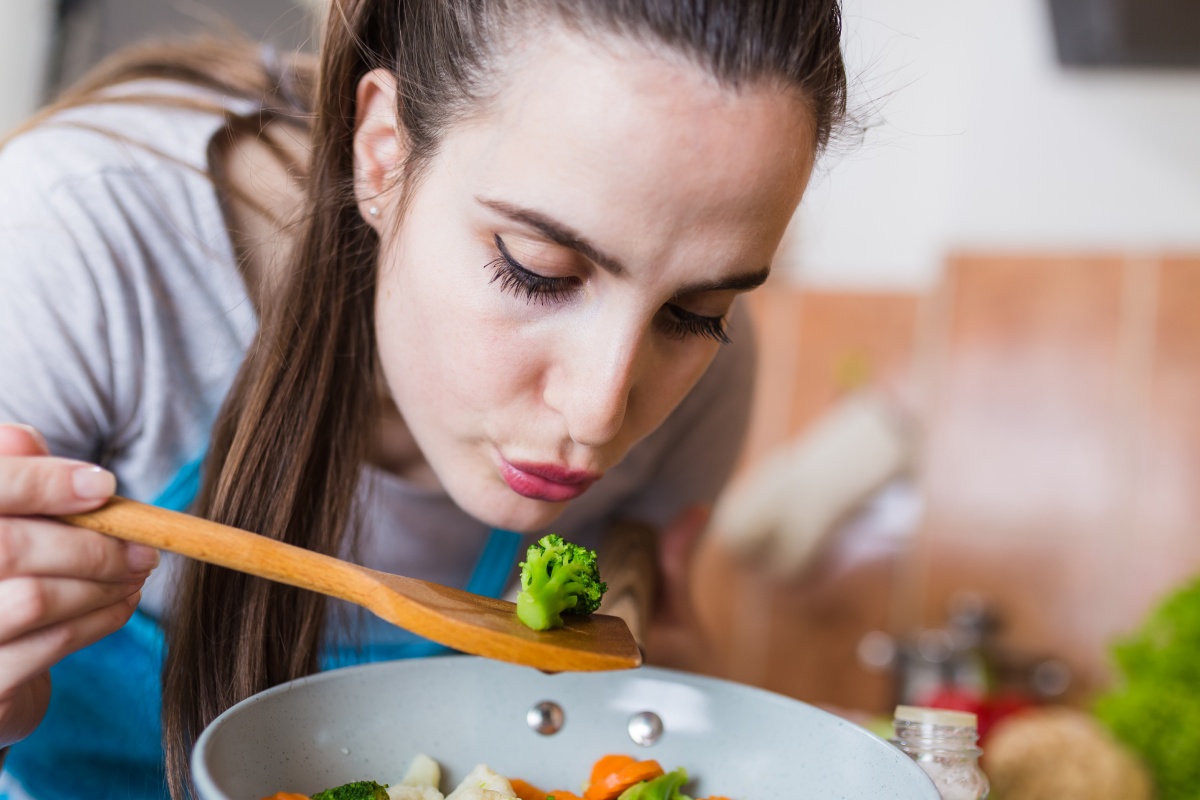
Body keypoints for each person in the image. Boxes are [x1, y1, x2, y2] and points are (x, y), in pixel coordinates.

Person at [0, 1, 848, 798]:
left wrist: (687, 698)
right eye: (536, 268)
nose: (599, 412)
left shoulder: (709, 387)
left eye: (692, 314)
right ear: (381, 150)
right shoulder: (75, 241)